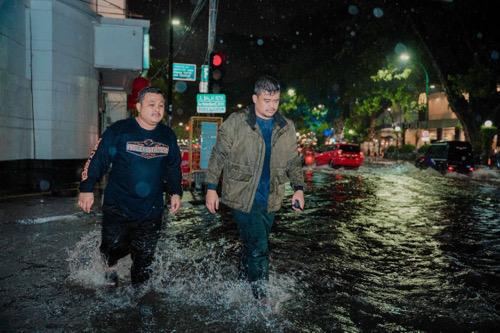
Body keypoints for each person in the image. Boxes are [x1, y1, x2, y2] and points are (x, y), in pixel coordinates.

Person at [205, 75, 305, 300]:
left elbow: (293, 160)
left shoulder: (286, 127)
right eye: (267, 100)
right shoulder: (237, 121)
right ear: (255, 98)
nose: (272, 105)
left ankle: (241, 285)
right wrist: (211, 187)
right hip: (242, 196)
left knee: (253, 245)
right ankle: (262, 298)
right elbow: (218, 154)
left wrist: (298, 188)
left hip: (271, 197)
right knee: (259, 247)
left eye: (276, 100)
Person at [78, 87, 182, 286]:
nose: (157, 109)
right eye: (151, 104)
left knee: (144, 257)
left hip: (151, 209)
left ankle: (139, 297)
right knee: (113, 247)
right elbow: (97, 159)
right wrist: (87, 187)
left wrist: (175, 192)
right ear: (138, 107)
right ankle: (110, 268)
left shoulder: (167, 135)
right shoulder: (119, 130)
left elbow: (173, 167)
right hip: (118, 206)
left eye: (160, 105)